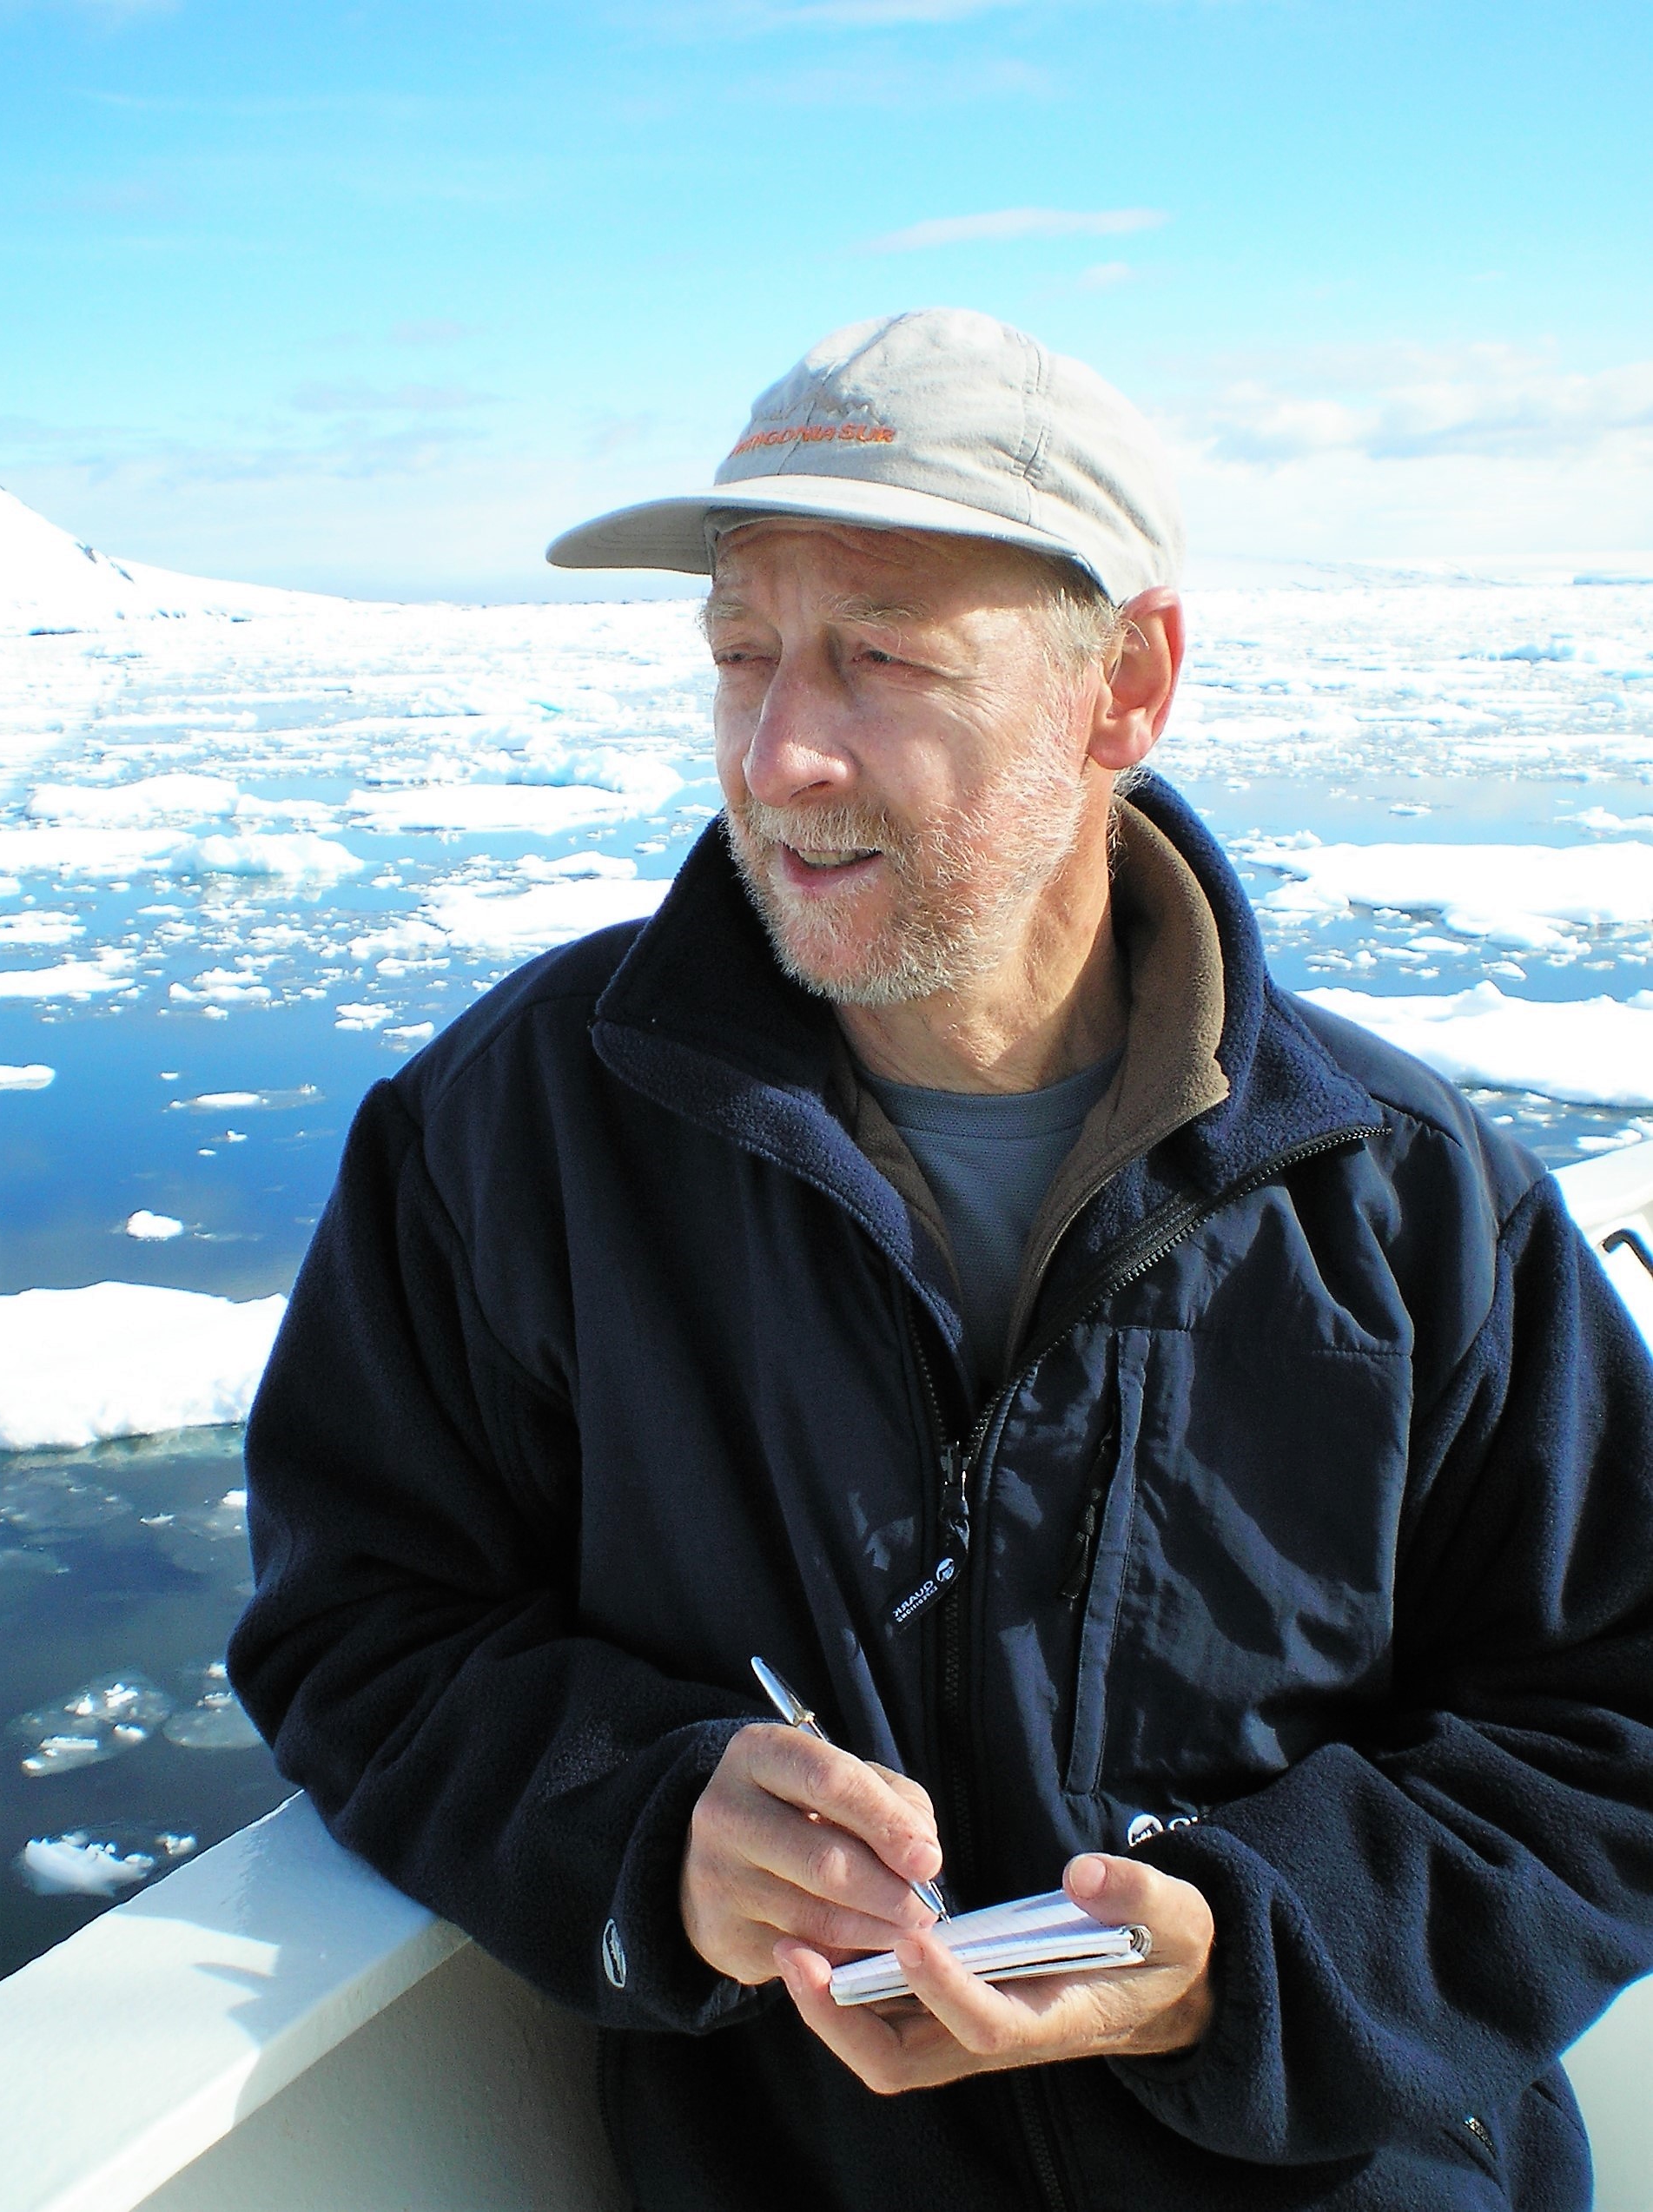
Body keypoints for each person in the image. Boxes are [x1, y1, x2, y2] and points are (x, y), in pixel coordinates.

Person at [228, 308, 1653, 2212]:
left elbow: (1612, 1721)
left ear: (1121, 684)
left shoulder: (1399, 1196)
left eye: (877, 656)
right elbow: (360, 1622)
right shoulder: (507, 1138)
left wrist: (1249, 1957)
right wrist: (648, 1817)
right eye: (741, 652)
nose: (781, 749)